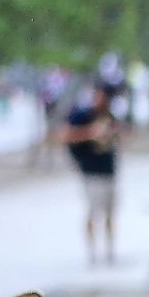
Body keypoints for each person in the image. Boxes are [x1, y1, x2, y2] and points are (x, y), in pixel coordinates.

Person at [60, 83, 119, 265]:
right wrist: (91, 133)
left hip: (108, 170)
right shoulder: (82, 115)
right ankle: (92, 252)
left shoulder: (109, 115)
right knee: (93, 212)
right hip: (91, 171)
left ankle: (109, 251)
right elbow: (65, 135)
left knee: (110, 213)